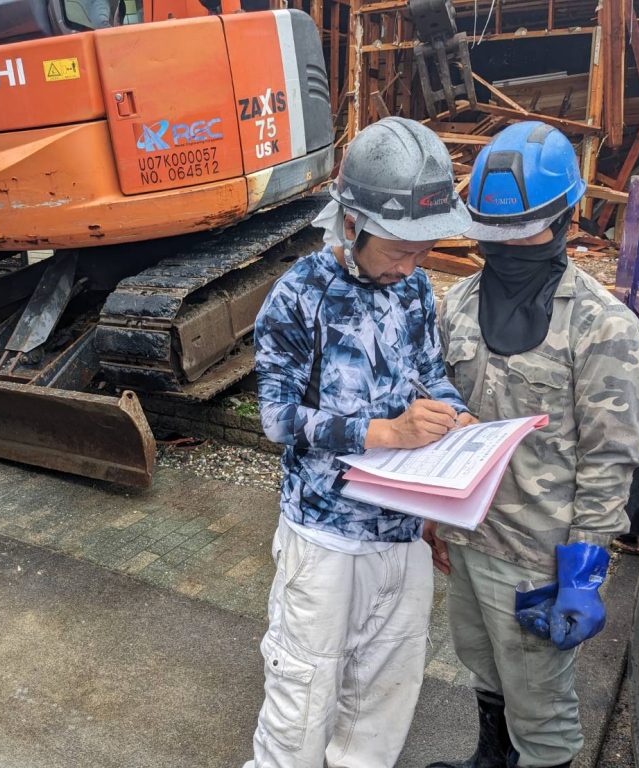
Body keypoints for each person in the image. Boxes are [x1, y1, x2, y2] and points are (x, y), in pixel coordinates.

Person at [245, 116, 473, 768]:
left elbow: (430, 374)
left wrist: (459, 420)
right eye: (399, 249)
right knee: (301, 702)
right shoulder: (299, 297)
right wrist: (384, 433)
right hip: (326, 540)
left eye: (422, 251)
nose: (411, 265)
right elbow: (277, 418)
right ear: (351, 224)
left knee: (381, 704)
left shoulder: (414, 289)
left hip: (400, 533)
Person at [428, 121, 639, 768]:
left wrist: (584, 573)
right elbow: (444, 420)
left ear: (562, 218)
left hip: (539, 562)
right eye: (493, 230)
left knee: (543, 714)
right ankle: (489, 758)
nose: (503, 244)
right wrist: (434, 520)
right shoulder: (458, 304)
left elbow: (610, 460)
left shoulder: (602, 326)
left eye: (519, 229)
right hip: (467, 541)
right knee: (483, 665)